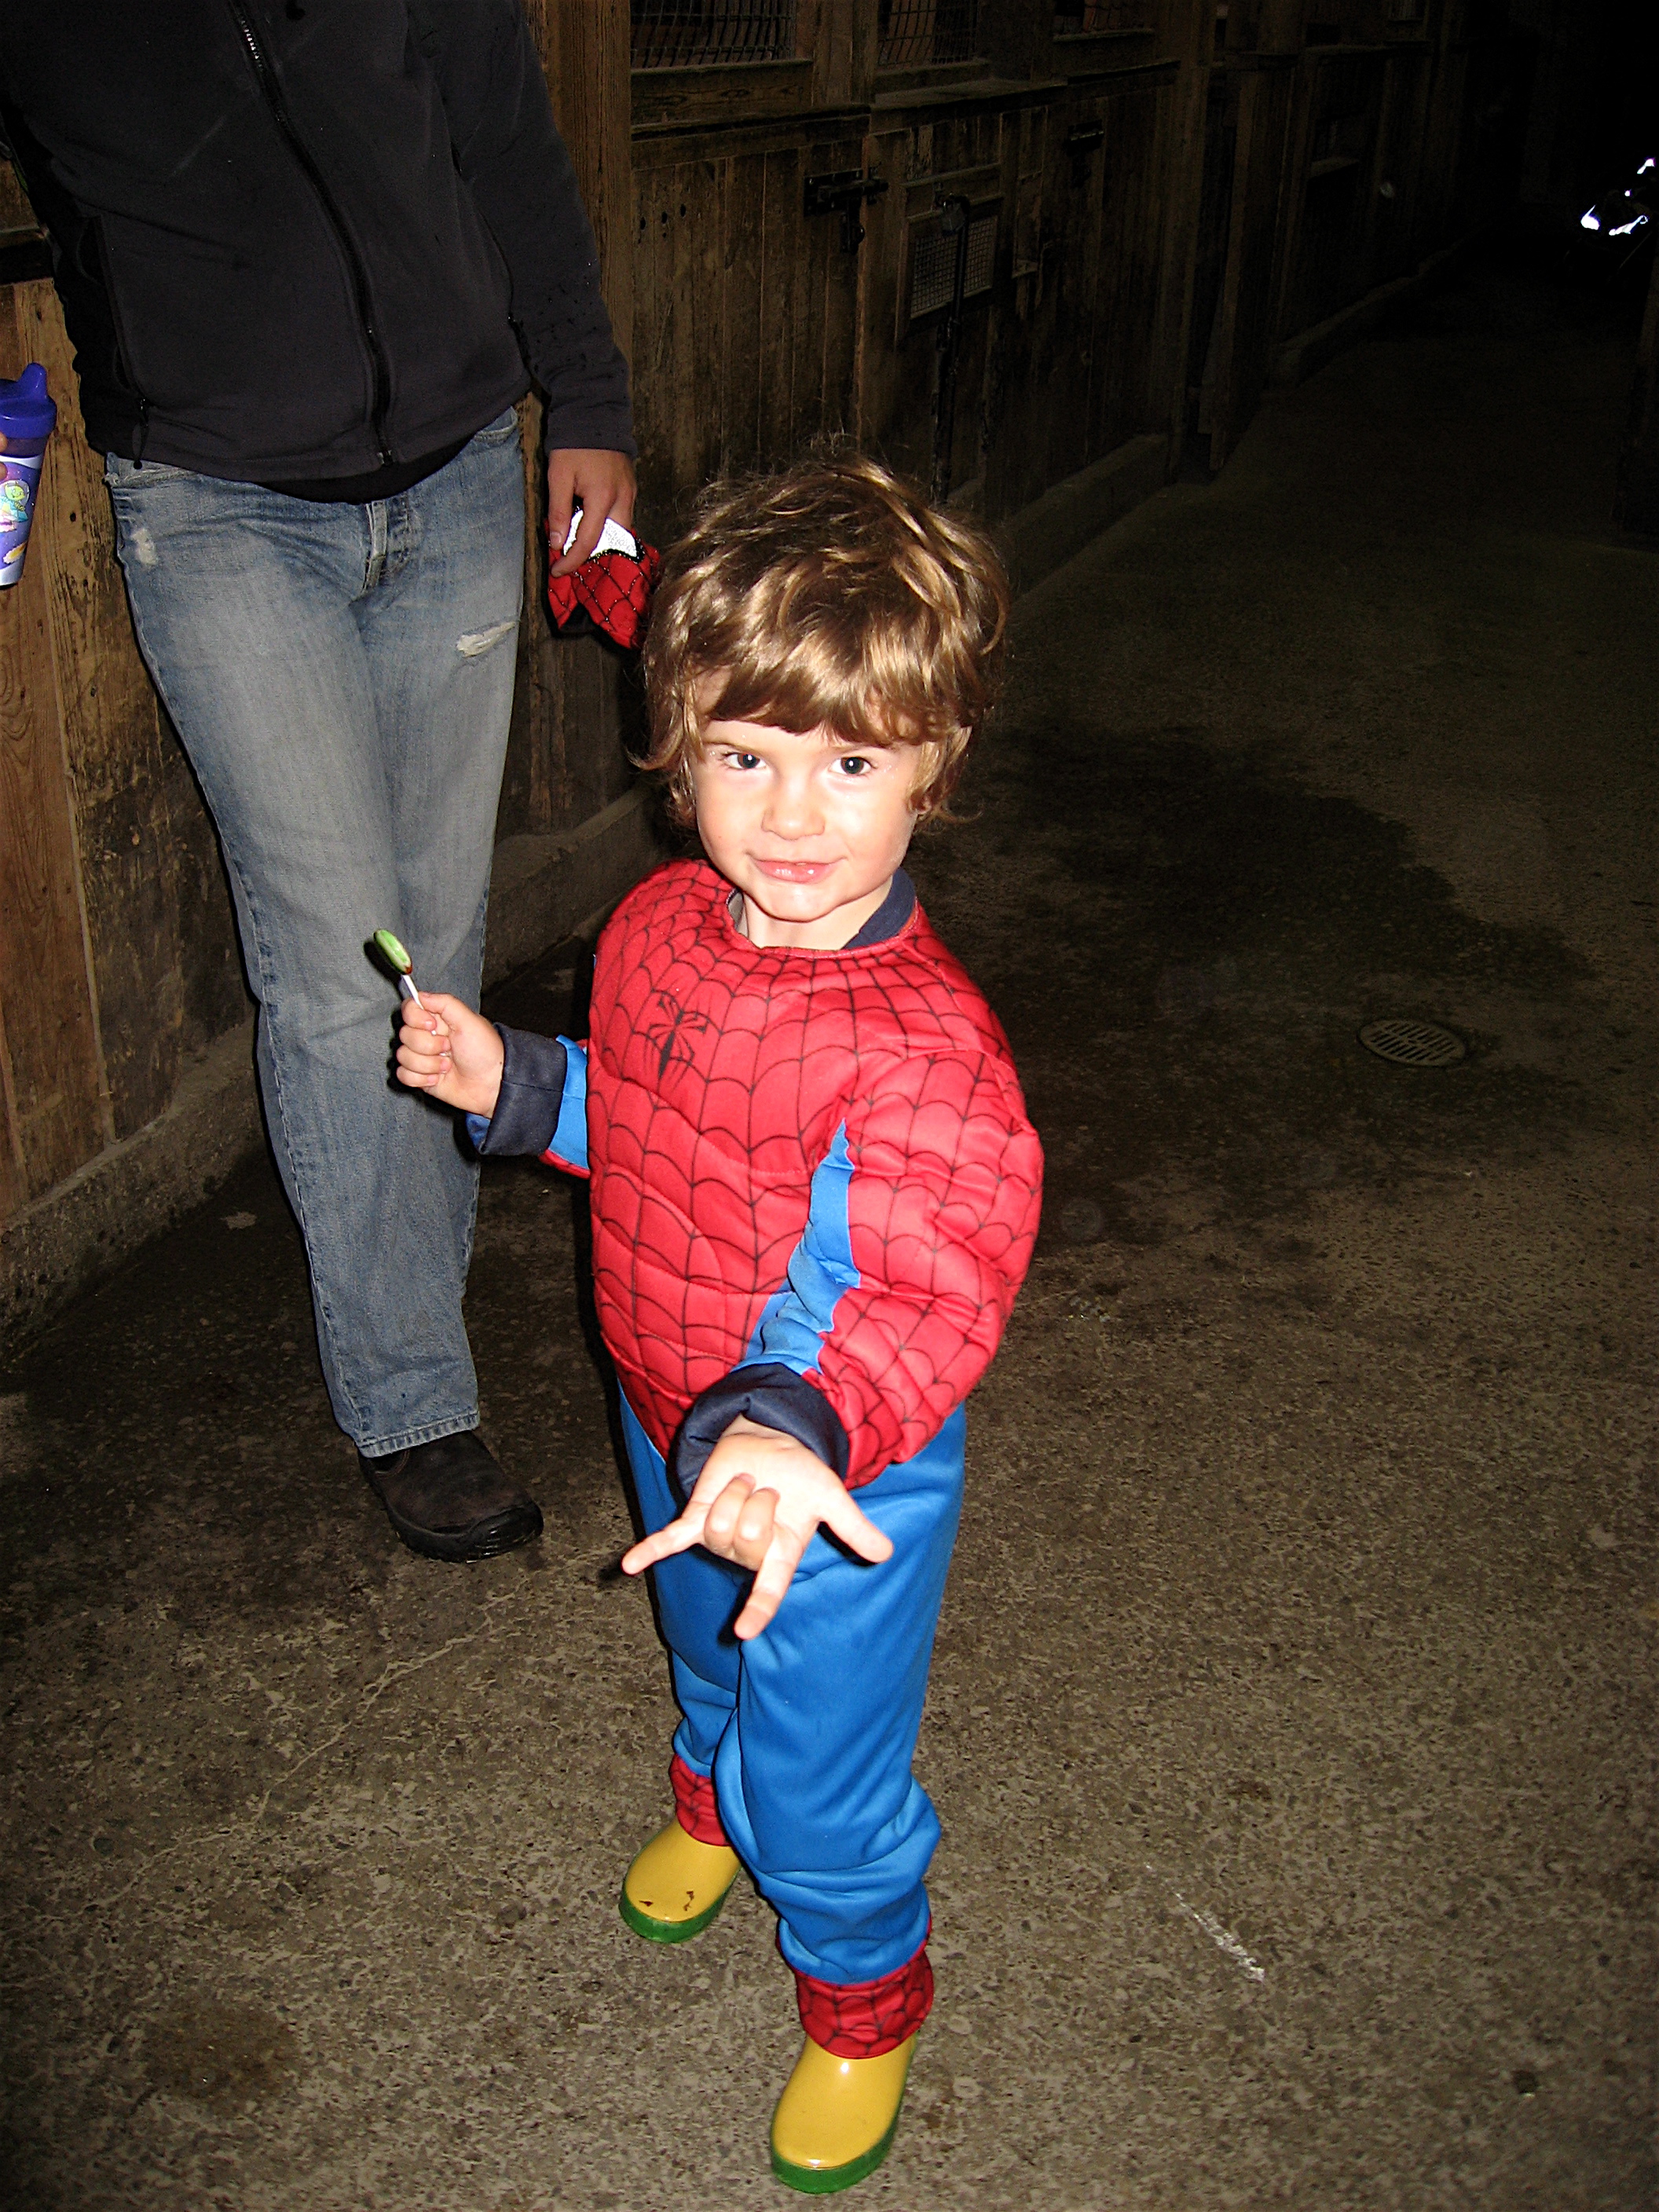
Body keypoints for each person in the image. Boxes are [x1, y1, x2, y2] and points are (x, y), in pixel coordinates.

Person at [395, 453, 1044, 2192]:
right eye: (745, 754)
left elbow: (925, 1273)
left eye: (850, 762)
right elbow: (654, 1119)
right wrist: (519, 1083)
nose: (791, 813)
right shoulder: (664, 925)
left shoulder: (925, 1050)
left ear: (933, 765)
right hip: (664, 1394)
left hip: (838, 1469)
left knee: (821, 1775)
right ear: (679, 746)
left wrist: (794, 1428)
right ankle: (701, 1792)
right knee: (699, 1644)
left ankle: (862, 1998)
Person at [0, 2, 635, 1560]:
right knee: (350, 970)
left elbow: (503, 127)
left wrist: (590, 400)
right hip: (218, 510)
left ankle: (413, 1320)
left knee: (442, 941)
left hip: (463, 464)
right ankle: (415, 1395)